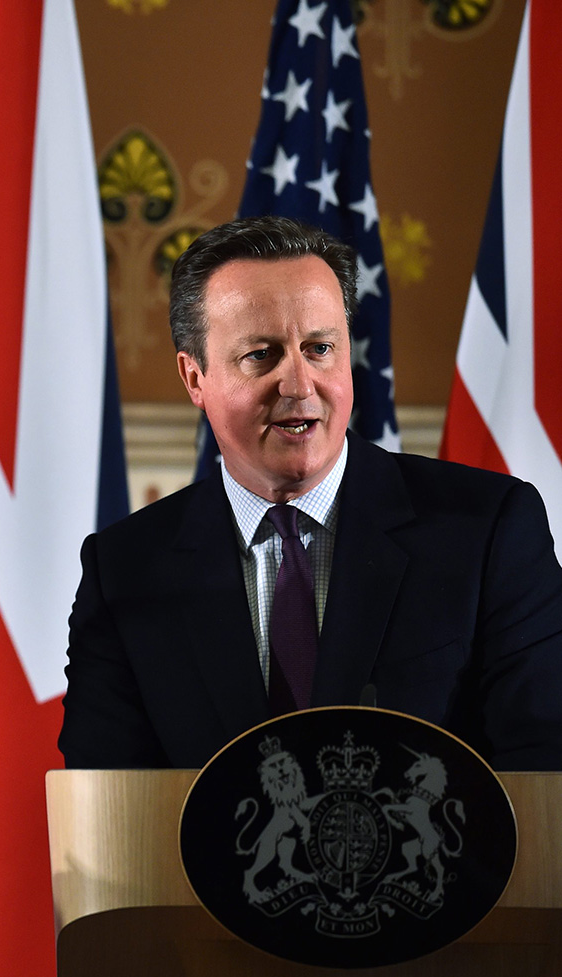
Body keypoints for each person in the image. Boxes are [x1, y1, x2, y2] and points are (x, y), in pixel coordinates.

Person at [60, 215, 562, 770]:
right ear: (195, 377)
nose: (300, 385)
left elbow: (543, 771)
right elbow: (107, 802)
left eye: (319, 348)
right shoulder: (125, 571)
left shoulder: (487, 530)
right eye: (261, 355)